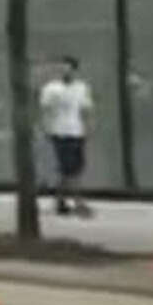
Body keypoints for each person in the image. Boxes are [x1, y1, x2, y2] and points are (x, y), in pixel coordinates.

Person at [39, 55, 94, 217]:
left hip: (77, 131)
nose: (64, 71)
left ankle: (60, 201)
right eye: (61, 68)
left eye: (68, 68)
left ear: (74, 70)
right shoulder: (51, 89)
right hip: (59, 132)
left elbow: (86, 109)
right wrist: (46, 128)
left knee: (73, 168)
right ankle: (79, 202)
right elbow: (45, 111)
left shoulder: (81, 88)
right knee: (69, 168)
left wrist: (88, 128)